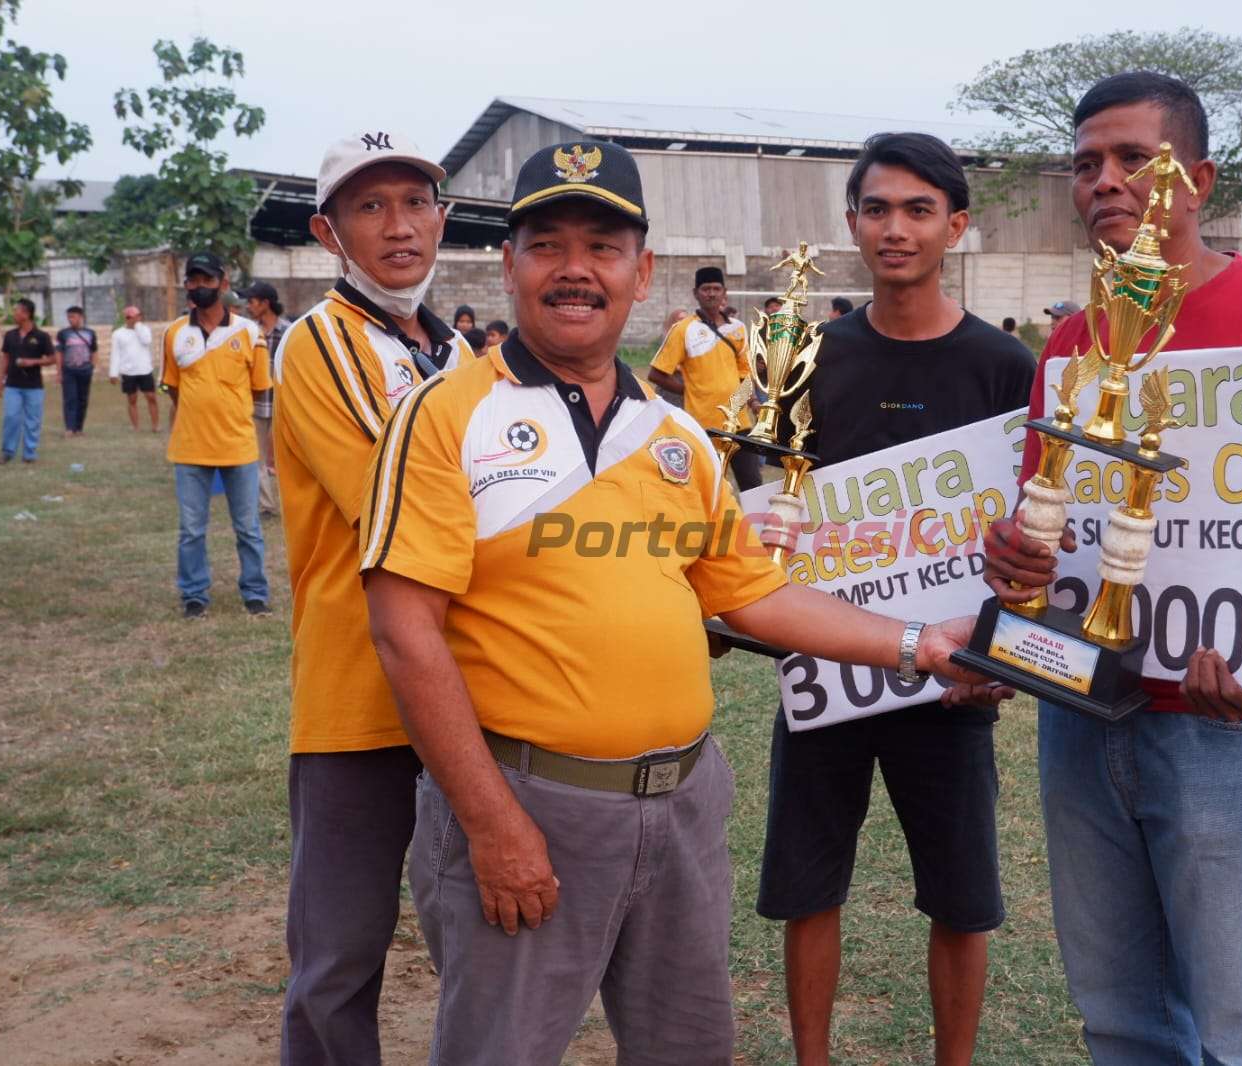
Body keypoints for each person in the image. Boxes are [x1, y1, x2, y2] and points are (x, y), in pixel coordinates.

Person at [358, 138, 994, 1066]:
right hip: (533, 806)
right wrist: (494, 825)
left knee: (689, 1050)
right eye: (547, 245)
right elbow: (404, 632)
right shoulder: (448, 413)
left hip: (684, 806)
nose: (576, 270)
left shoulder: (678, 437)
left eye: (604, 247)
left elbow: (752, 595)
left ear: (640, 271)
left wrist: (918, 643)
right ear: (508, 264)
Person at [983, 71, 1242, 1066]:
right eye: (1085, 164)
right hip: (1081, 713)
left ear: (1196, 177)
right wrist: (1013, 561)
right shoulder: (1071, 339)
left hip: (1226, 725)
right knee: (1121, 1019)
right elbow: (1042, 541)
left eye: (1131, 159)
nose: (1103, 181)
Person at [757, 131, 1033, 1066]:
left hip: (952, 674)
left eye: (919, 209)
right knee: (807, 886)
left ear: (956, 225)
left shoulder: (1003, 367)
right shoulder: (809, 357)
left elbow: (1028, 532)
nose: (895, 228)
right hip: (827, 666)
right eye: (876, 208)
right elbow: (777, 511)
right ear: (851, 223)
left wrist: (999, 655)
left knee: (962, 897)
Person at [273, 130, 472, 1066]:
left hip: (467, 688)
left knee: (476, 935)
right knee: (340, 954)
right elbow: (398, 502)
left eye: (416, 202)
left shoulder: (462, 351)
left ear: (443, 216)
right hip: (359, 693)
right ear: (329, 231)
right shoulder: (321, 341)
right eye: (369, 206)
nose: (399, 226)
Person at [161, 252, 272, 619]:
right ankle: (194, 595)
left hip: (238, 446)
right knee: (191, 530)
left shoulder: (249, 332)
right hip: (189, 448)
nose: (199, 287)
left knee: (249, 528)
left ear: (223, 284)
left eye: (207, 280)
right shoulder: (175, 333)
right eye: (193, 280)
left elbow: (259, 389)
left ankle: (255, 593)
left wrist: (227, 409)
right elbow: (172, 388)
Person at [646, 265, 763, 491]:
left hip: (740, 423)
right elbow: (656, 373)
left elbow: (745, 374)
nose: (711, 293)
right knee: (709, 488)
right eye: (705, 289)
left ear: (724, 292)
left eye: (716, 288)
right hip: (703, 425)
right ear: (695, 293)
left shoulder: (738, 329)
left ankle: (753, 527)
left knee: (753, 485)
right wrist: (689, 390)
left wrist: (754, 402)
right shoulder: (683, 329)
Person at [239, 282, 288, 517]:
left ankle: (294, 506)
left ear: (265, 303)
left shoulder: (290, 332)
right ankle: (267, 506)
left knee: (288, 461)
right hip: (257, 404)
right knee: (257, 459)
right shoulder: (248, 332)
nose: (248, 306)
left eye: (252, 301)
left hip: (284, 407)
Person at [0, 297, 55, 464]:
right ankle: (7, 452)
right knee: (11, 417)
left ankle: (29, 453)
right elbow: (5, 357)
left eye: (17, 310)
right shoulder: (10, 335)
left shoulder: (41, 336)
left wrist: (32, 362)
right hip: (12, 385)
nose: (14, 313)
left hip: (34, 386)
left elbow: (52, 359)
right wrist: (0, 379)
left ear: (26, 314)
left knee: (32, 420)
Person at [109, 305, 160, 431]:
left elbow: (146, 341)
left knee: (151, 397)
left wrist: (137, 327)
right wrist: (113, 373)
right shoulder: (118, 334)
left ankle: (155, 426)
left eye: (137, 316)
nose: (135, 319)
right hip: (128, 371)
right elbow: (115, 354)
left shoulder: (145, 329)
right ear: (126, 318)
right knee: (132, 399)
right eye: (131, 317)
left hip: (145, 370)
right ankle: (135, 426)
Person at [56, 306, 98, 436]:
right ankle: (69, 428)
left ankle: (79, 428)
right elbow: (59, 352)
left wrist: (92, 366)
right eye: (69, 317)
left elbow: (94, 351)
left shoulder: (90, 333)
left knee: (82, 399)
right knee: (70, 399)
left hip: (85, 370)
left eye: (73, 316)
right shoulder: (63, 333)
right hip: (69, 370)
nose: (70, 320)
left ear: (80, 317)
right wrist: (59, 371)